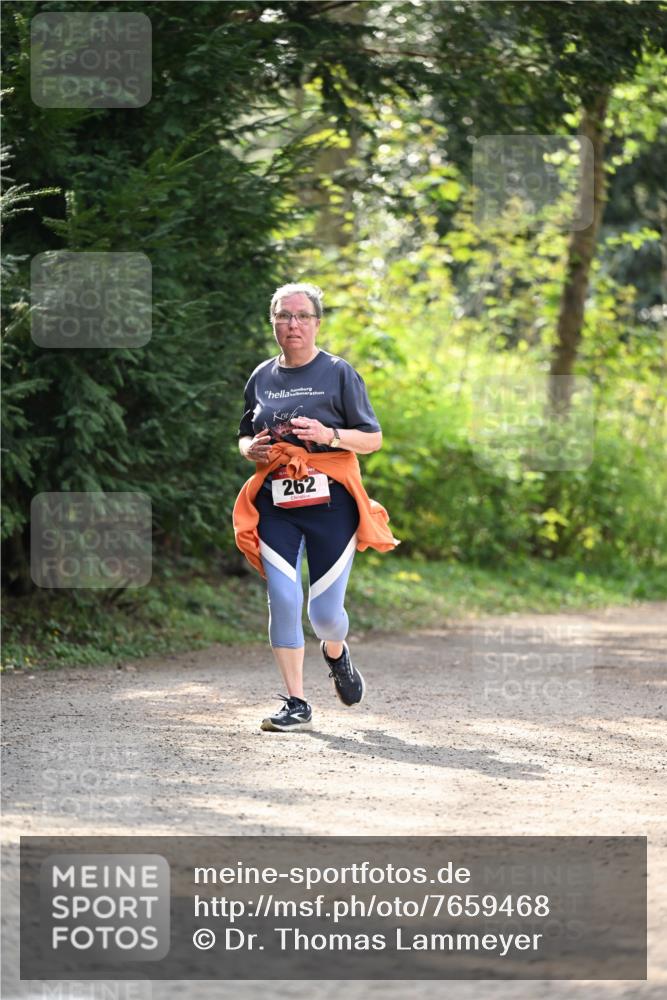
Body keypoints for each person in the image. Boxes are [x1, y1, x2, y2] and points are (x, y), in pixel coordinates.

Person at [233, 282, 398, 732]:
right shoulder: (261, 376)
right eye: (284, 316)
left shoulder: (339, 373)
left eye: (302, 316)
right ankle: (297, 703)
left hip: (332, 506)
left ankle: (336, 653)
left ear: (317, 323)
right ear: (273, 322)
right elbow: (244, 433)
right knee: (284, 599)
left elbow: (373, 439)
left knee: (324, 616)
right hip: (276, 503)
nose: (293, 324)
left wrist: (329, 436)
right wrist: (249, 450)